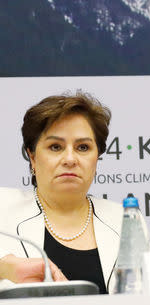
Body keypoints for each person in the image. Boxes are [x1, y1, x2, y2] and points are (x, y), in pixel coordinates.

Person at [0, 92, 123, 293]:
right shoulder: (3, 206)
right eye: (55, 147)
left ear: (97, 158)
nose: (70, 159)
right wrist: (5, 266)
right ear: (32, 158)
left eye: (83, 147)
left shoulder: (122, 219)